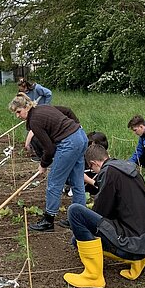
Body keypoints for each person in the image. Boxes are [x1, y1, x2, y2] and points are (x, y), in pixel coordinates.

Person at [63, 144, 145, 288]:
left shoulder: (108, 172)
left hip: (130, 243)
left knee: (75, 212)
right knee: (78, 237)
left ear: (94, 164)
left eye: (92, 169)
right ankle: (140, 260)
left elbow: (100, 213)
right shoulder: (127, 168)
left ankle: (93, 276)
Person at [9, 93, 87, 232]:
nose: (17, 116)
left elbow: (49, 149)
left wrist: (43, 165)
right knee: (77, 181)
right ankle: (79, 218)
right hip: (81, 136)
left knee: (53, 182)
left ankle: (48, 220)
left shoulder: (34, 121)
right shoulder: (43, 108)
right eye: (15, 113)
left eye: (18, 112)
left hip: (69, 143)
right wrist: (76, 125)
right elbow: (67, 110)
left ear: (26, 107)